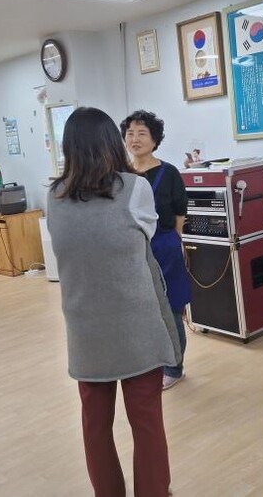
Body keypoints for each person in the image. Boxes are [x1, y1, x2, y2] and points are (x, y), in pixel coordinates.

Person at [47, 107, 180, 497]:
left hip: (85, 328)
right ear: (112, 142)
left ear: (69, 147)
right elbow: (146, 235)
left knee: (95, 425)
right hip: (136, 324)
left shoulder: (54, 196)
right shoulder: (136, 188)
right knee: (147, 422)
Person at [120, 110, 191, 391]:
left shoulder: (168, 172)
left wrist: (176, 242)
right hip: (131, 249)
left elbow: (180, 212)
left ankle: (174, 367)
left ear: (155, 139)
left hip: (163, 245)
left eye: (142, 133)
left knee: (170, 310)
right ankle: (150, 363)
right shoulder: (121, 174)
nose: (135, 139)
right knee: (140, 309)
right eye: (130, 133)